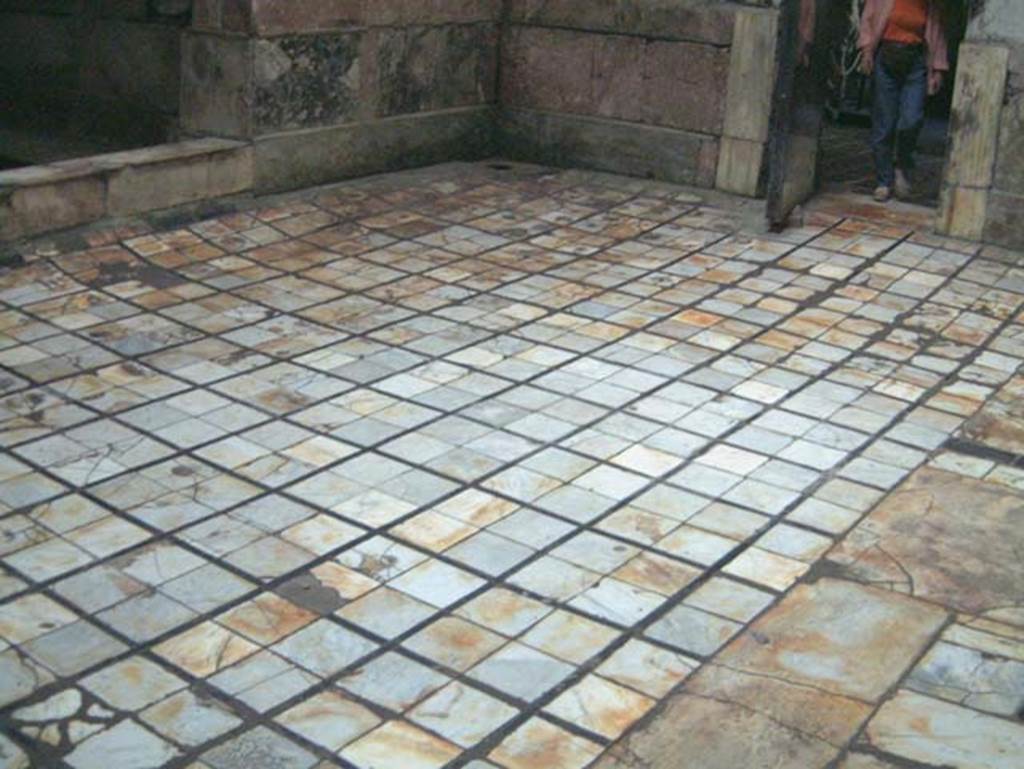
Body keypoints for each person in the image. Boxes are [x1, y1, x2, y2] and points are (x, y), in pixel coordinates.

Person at [858, 0, 949, 201]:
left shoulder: (929, 4)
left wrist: (937, 70)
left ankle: (902, 163)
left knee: (912, 118)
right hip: (886, 57)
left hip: (915, 61)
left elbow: (936, 33)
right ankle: (884, 181)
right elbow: (868, 18)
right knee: (884, 123)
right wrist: (867, 50)